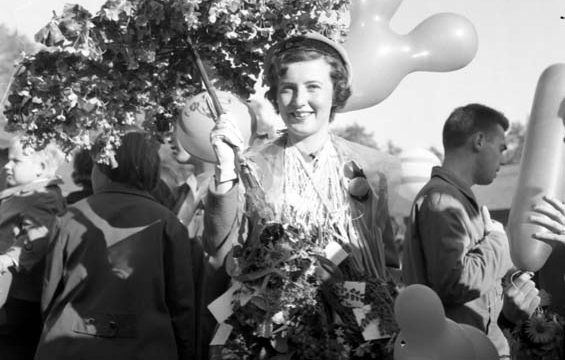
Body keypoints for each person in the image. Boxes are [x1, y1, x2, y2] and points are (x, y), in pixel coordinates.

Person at [200, 33, 401, 355]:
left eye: (313, 87)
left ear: (336, 91)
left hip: (354, 340)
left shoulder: (368, 170)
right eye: (288, 88)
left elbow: (387, 272)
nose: (298, 100)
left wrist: (351, 299)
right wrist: (225, 168)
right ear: (275, 94)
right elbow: (221, 251)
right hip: (269, 342)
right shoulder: (252, 166)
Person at [35, 131, 196, 360]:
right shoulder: (168, 224)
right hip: (146, 347)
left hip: (68, 346)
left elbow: (50, 294)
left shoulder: (70, 217)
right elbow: (182, 306)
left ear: (104, 167)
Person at [402, 103, 540, 358]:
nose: (503, 159)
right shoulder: (442, 200)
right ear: (479, 141)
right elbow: (455, 283)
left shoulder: (453, 198)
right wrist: (498, 241)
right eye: (501, 148)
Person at [0, 138, 66, 360]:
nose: (7, 166)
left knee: (11, 347)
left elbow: (39, 238)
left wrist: (9, 258)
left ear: (41, 167)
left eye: (16, 161)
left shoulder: (43, 196)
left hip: (18, 295)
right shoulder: (26, 192)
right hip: (11, 292)